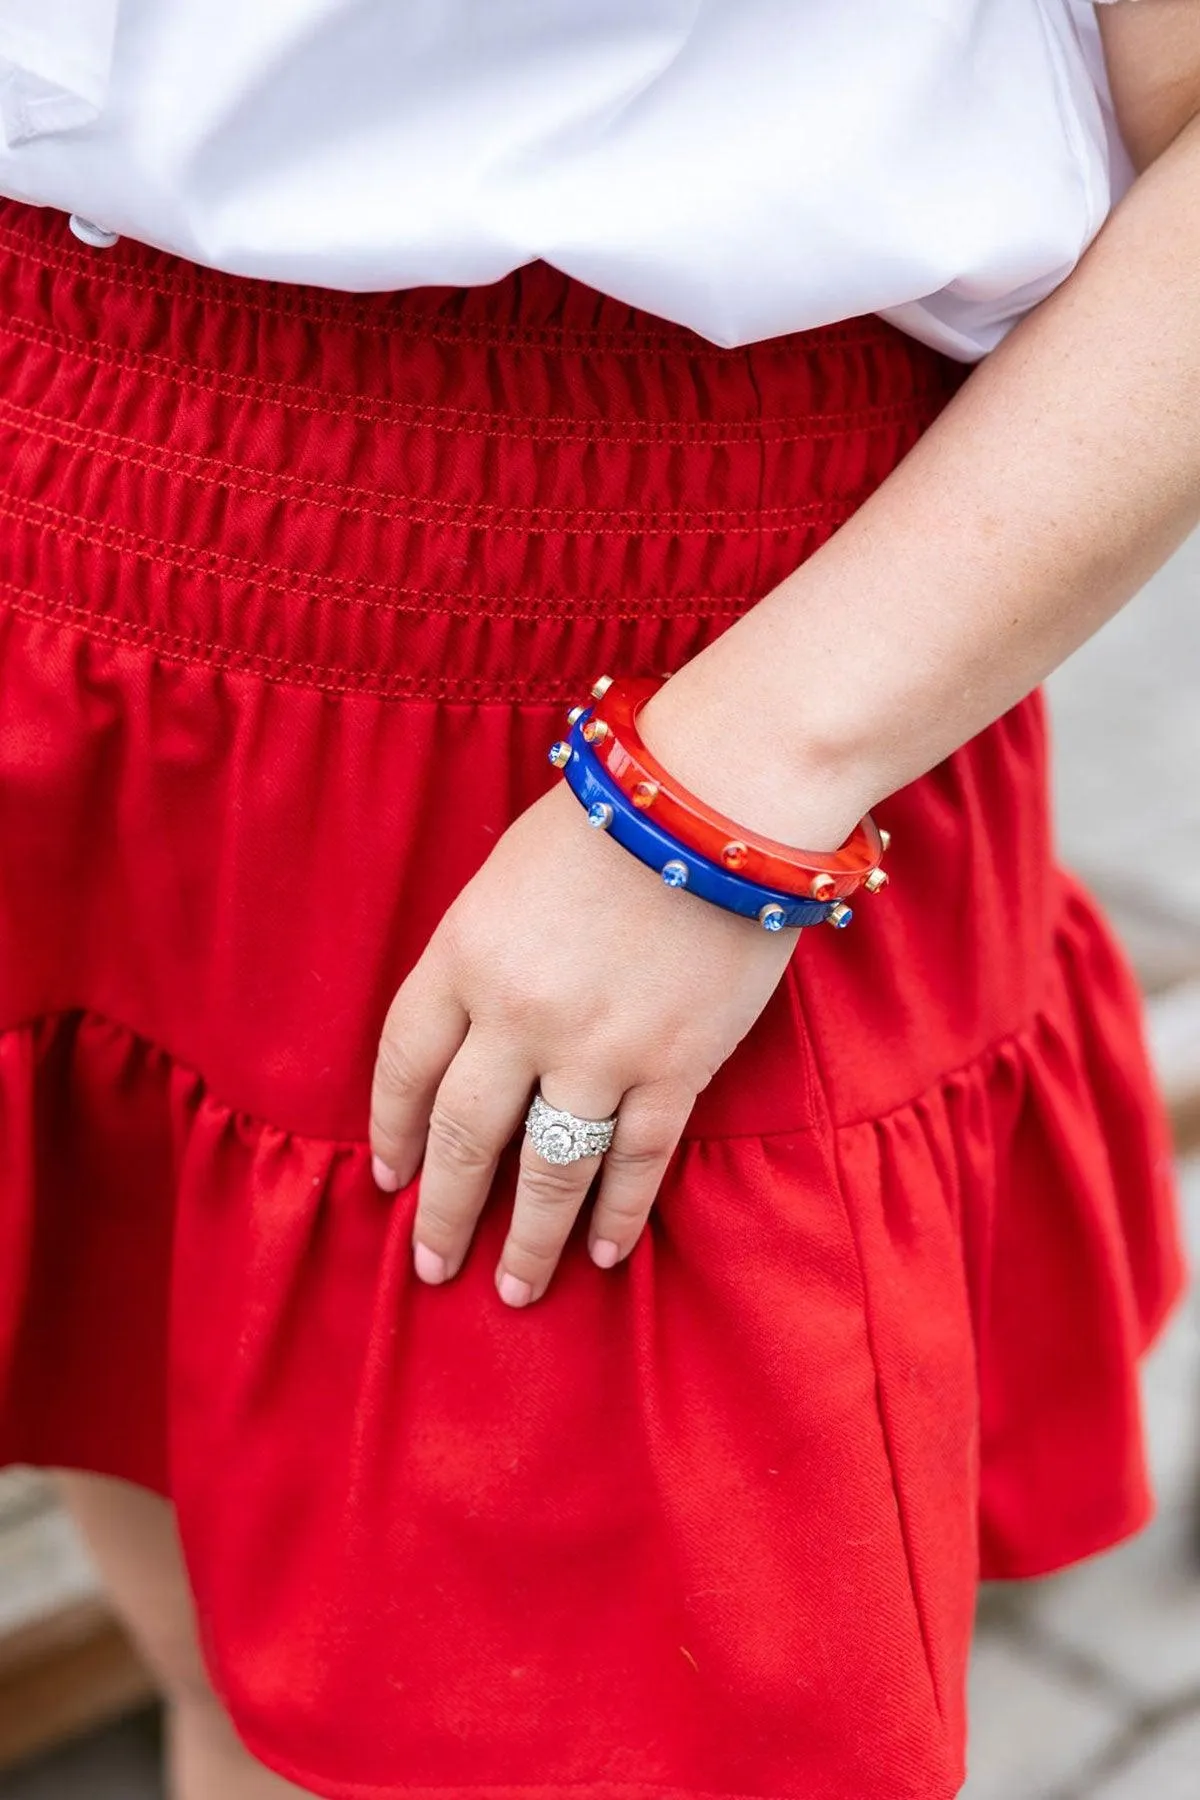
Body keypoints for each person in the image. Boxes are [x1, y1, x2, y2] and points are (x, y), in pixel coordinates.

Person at [0, 1, 1195, 1795]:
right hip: (66, 522)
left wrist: (726, 795)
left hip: (652, 675)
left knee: (577, 1737)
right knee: (226, 1671)